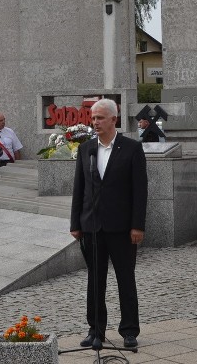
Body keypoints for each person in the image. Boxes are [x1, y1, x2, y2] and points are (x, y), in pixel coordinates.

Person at [70, 98, 148, 349]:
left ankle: (129, 330)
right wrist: (75, 223)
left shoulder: (132, 149)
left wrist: (137, 225)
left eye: (100, 118)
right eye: (93, 118)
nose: (95, 123)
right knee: (95, 280)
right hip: (92, 226)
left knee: (126, 278)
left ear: (114, 119)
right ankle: (96, 330)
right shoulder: (86, 150)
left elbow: (140, 191)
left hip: (122, 227)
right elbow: (79, 189)